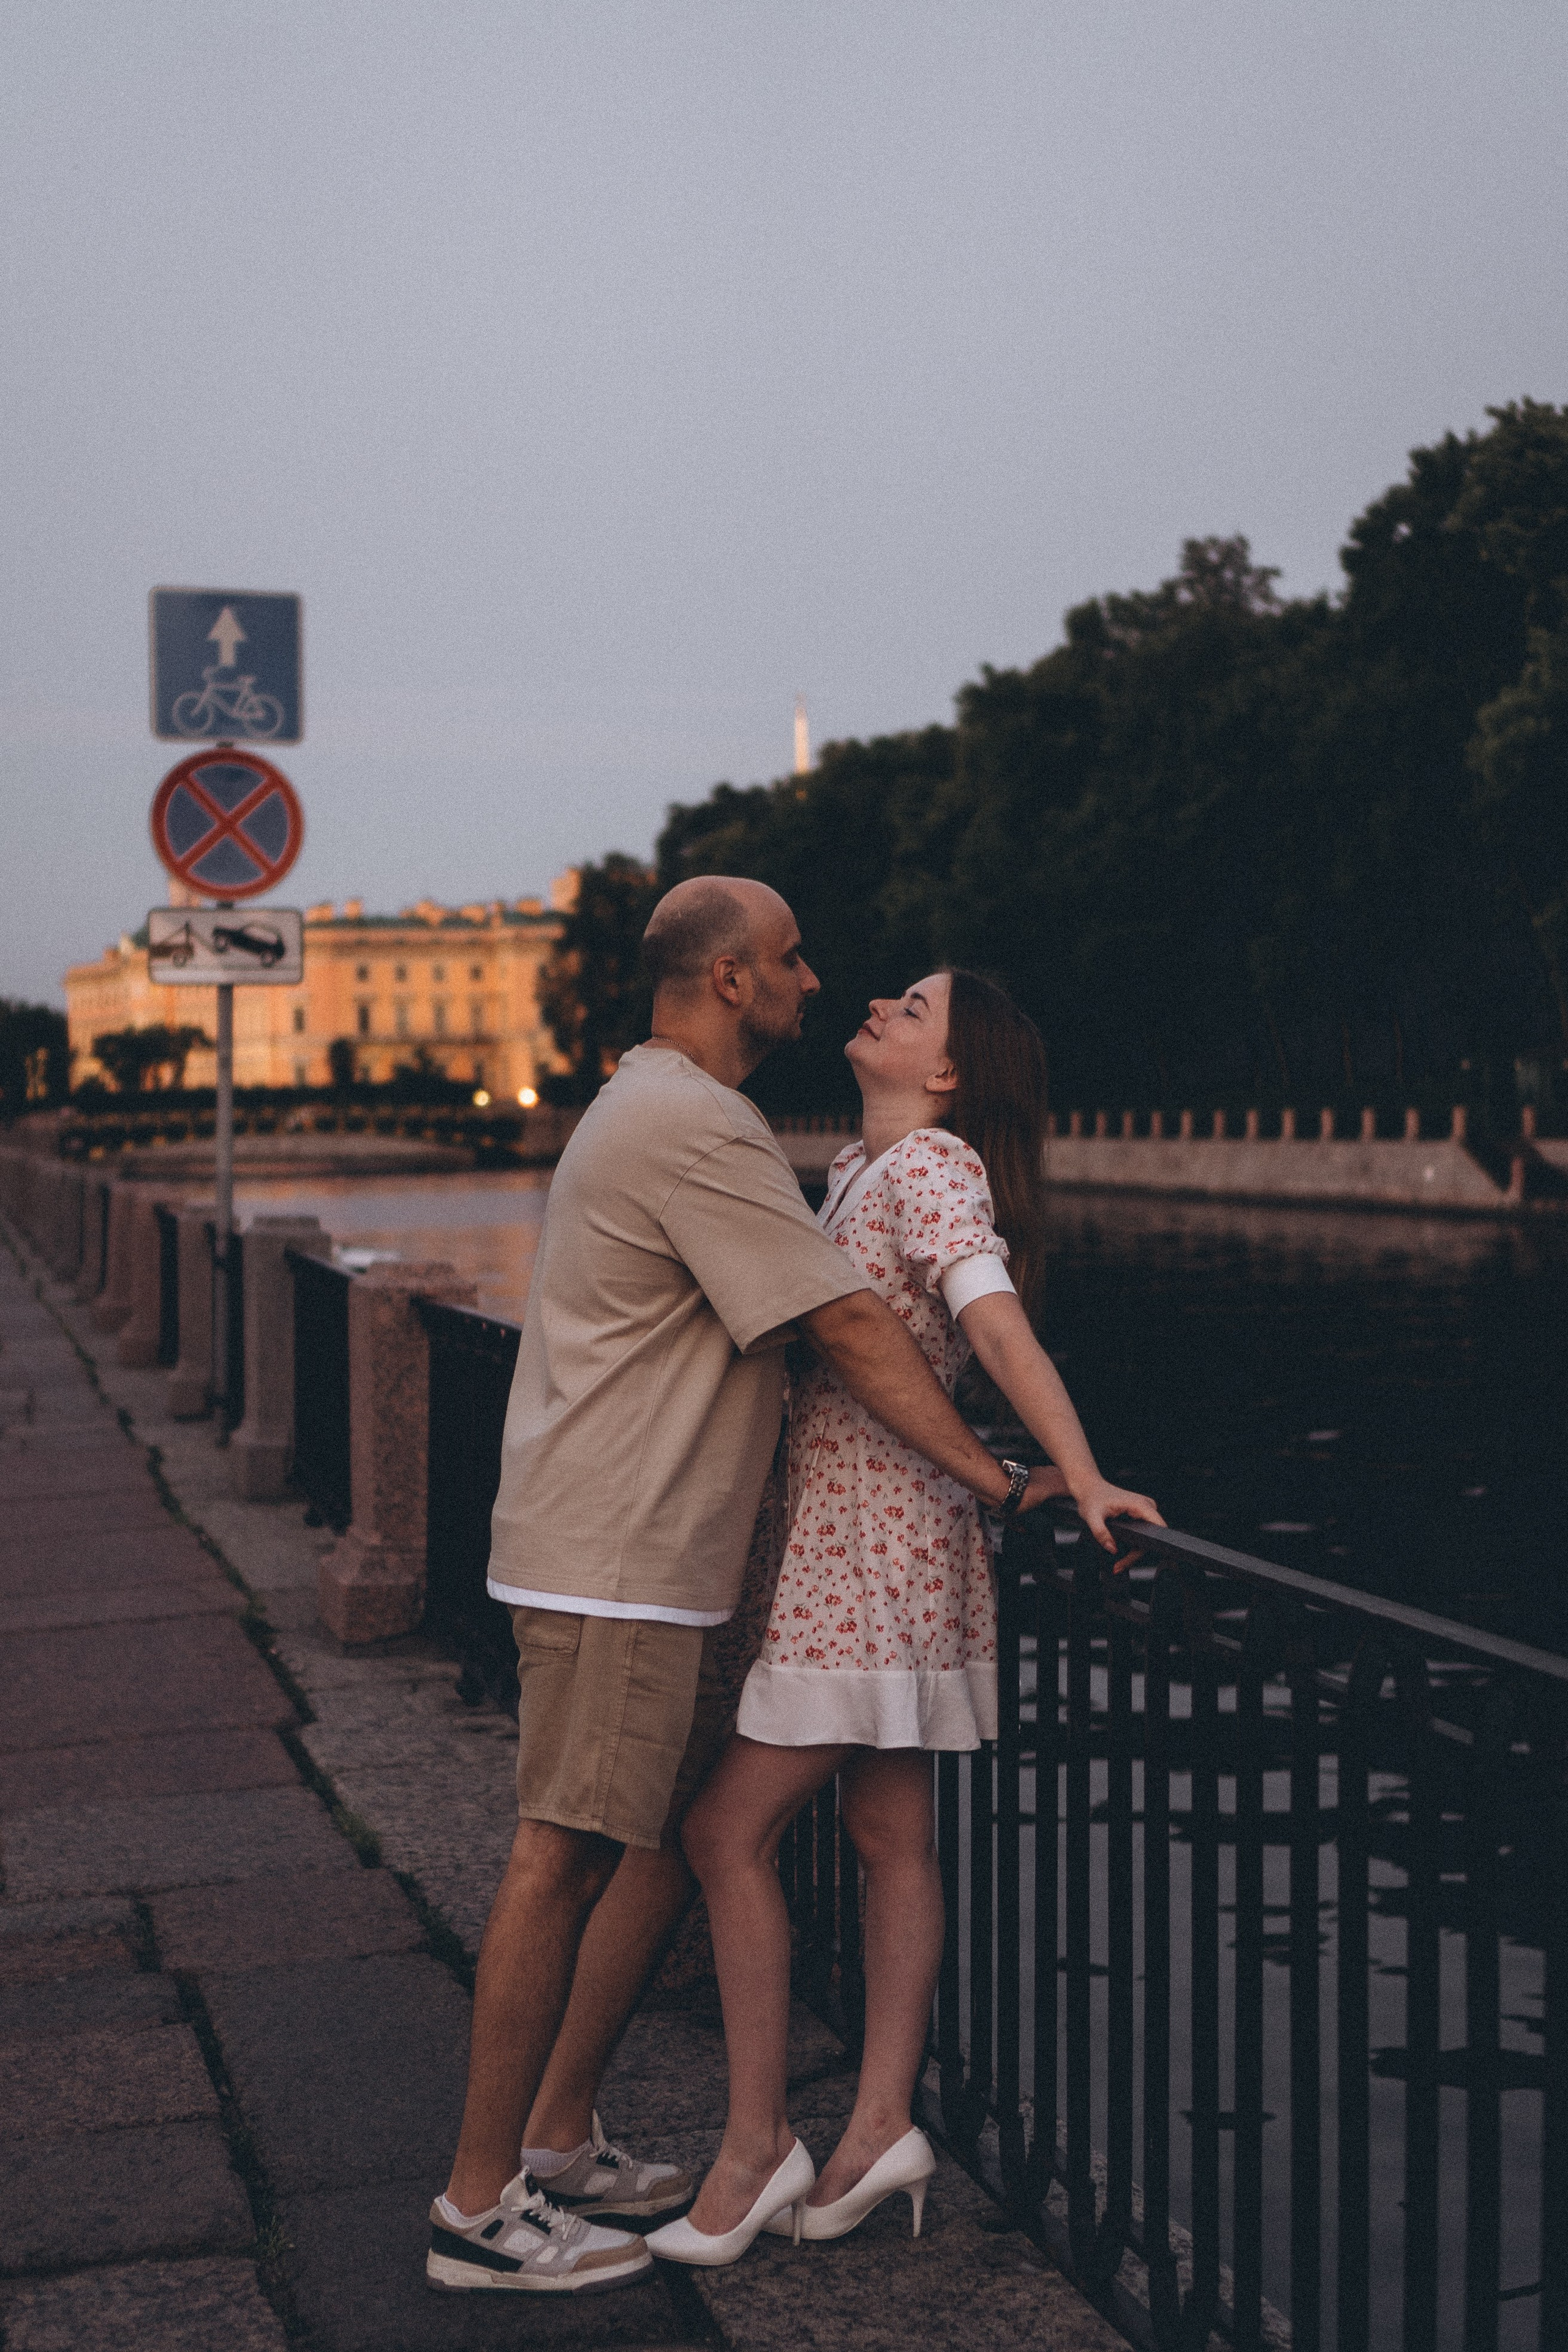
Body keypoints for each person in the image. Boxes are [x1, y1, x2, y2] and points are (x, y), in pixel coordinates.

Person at [428, 890, 1059, 2295]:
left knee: (660, 1840)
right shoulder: (701, 1127)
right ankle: (478, 2209)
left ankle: (560, 2131)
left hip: (666, 1550)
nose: (814, 979)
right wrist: (1002, 1480)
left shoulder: (661, 1106)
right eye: (788, 960)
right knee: (566, 1851)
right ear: (730, 978)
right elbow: (840, 1321)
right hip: (622, 1555)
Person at [649, 968, 1163, 2268]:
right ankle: (878, 2125)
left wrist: (1081, 1471)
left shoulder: (932, 1165)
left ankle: (755, 2145)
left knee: (722, 1830)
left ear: (948, 1074)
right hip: (866, 1542)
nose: (878, 1003)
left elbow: (991, 1323)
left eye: (914, 1006)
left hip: (868, 1551)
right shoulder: (853, 1170)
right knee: (888, 1833)